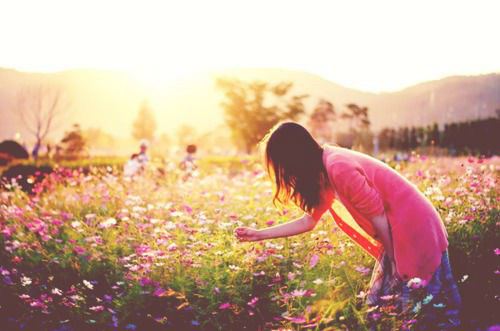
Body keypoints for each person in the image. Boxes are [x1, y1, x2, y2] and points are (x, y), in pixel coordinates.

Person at [234, 122, 461, 330]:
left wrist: (392, 259)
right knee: (383, 309)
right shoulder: (323, 171)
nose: (284, 174)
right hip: (399, 231)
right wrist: (259, 234)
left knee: (416, 307)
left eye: (282, 165)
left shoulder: (337, 166)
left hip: (414, 228)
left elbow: (378, 215)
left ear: (293, 158)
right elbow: (309, 221)